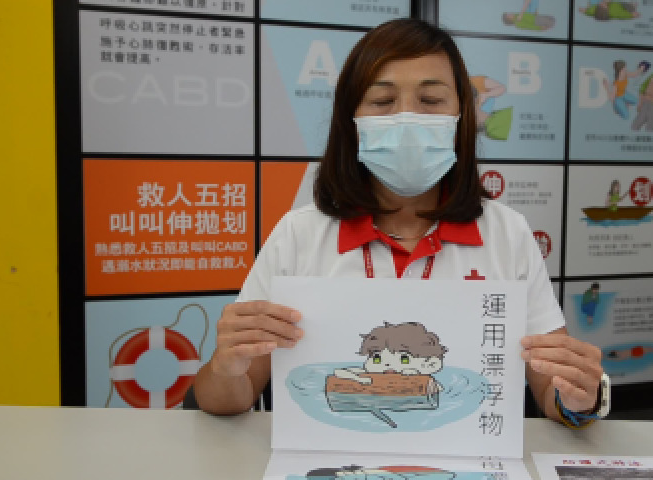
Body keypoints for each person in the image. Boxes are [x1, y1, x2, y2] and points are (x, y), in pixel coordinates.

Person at [193, 18, 604, 428]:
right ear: (351, 119)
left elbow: (552, 392)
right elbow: (229, 397)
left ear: (461, 115)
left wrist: (579, 397)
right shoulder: (299, 236)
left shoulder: (507, 235)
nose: (407, 117)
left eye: (431, 100)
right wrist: (227, 369)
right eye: (382, 100)